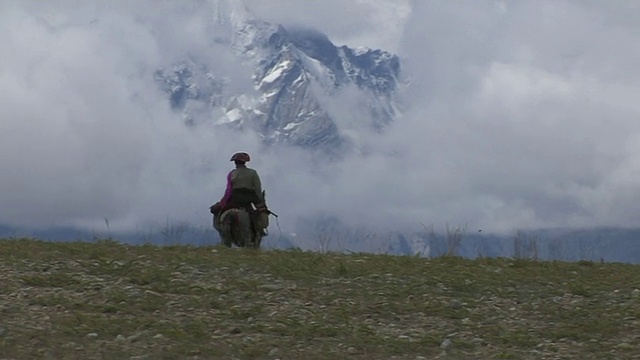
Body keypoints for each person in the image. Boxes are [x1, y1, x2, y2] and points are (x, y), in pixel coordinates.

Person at [216, 152, 268, 236]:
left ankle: (221, 228)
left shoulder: (231, 174)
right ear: (245, 162)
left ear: (235, 162)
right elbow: (258, 189)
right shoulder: (253, 173)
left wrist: (223, 202)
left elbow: (229, 191)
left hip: (234, 199)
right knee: (256, 216)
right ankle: (259, 231)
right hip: (248, 199)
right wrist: (260, 201)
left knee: (218, 212)